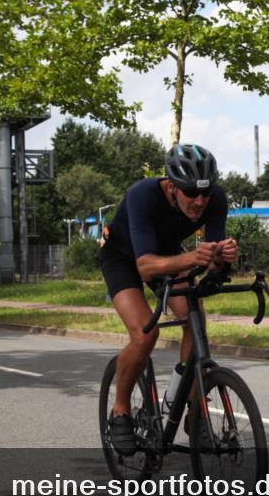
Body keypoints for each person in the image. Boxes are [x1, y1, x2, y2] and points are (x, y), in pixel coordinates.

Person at [99, 144, 237, 455]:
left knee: (195, 320)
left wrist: (223, 258)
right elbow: (144, 265)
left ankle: (193, 409)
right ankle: (120, 411)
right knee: (145, 333)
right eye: (191, 192)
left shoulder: (214, 199)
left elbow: (211, 261)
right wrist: (193, 258)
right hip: (123, 259)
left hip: (168, 255)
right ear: (172, 186)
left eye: (205, 192)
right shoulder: (142, 195)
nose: (200, 201)